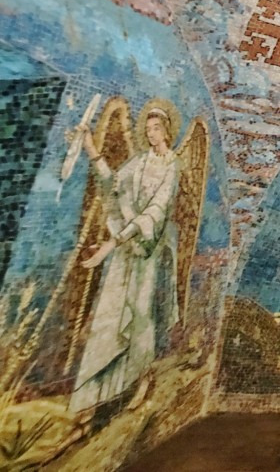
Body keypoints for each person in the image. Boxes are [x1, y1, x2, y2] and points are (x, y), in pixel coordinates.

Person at [69, 105, 180, 414]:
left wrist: (113, 242)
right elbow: (114, 186)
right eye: (148, 128)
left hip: (148, 251)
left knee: (141, 314)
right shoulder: (139, 162)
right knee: (114, 313)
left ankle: (141, 379)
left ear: (167, 131)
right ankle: (104, 391)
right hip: (127, 250)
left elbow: (155, 213)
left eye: (156, 128)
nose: (150, 132)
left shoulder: (172, 166)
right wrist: (91, 149)